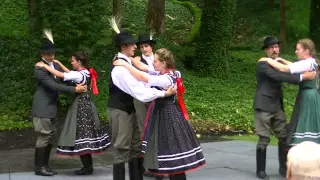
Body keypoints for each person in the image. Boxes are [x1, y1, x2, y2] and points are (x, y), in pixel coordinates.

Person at [113, 48, 206, 180]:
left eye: (155, 61)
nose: (153, 63)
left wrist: (125, 64)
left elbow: (143, 76)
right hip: (162, 114)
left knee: (172, 151)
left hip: (168, 116)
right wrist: (127, 59)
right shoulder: (167, 72)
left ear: (163, 63)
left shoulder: (166, 79)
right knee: (165, 150)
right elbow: (143, 68)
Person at [107, 17, 177, 180]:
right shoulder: (119, 68)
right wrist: (163, 93)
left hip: (128, 109)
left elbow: (146, 73)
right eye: (132, 45)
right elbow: (138, 90)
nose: (135, 47)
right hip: (119, 110)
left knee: (136, 146)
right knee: (122, 148)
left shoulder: (126, 63)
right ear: (123, 47)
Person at [35, 51, 111, 175]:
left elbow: (61, 74)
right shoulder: (85, 72)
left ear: (79, 62)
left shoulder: (79, 75)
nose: (71, 62)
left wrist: (45, 66)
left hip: (81, 106)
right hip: (86, 105)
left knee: (81, 135)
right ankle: (88, 166)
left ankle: (87, 167)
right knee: (84, 136)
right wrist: (58, 62)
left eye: (73, 61)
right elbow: (70, 73)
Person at [253, 36, 316, 179]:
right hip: (263, 106)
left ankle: (283, 168)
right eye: (271, 47)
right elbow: (278, 76)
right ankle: (260, 170)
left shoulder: (278, 63)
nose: (275, 49)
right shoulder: (262, 64)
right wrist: (302, 78)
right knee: (264, 139)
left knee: (283, 137)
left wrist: (301, 75)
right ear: (266, 50)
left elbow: (290, 69)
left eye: (276, 47)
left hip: (277, 106)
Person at [32, 29, 87, 176]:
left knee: (50, 135)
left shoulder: (54, 65)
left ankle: (45, 165)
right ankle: (39, 167)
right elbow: (53, 85)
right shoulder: (39, 68)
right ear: (42, 55)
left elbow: (65, 77)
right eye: (48, 54)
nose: (51, 56)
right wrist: (75, 90)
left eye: (53, 54)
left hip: (52, 107)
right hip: (43, 107)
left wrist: (77, 84)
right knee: (44, 135)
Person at [260, 38, 320, 146]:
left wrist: (268, 60)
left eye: (298, 49)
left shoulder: (307, 63)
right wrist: (282, 59)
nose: (296, 51)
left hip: (308, 97)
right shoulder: (310, 62)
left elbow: (285, 69)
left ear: (306, 51)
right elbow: (295, 66)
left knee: (306, 122)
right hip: (309, 95)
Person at [134, 32, 158, 178]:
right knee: (144, 129)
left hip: (158, 97)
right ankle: (145, 165)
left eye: (146, 46)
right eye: (142, 47)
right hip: (142, 96)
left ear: (152, 46)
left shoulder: (159, 58)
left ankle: (158, 164)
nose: (144, 49)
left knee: (157, 130)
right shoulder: (137, 61)